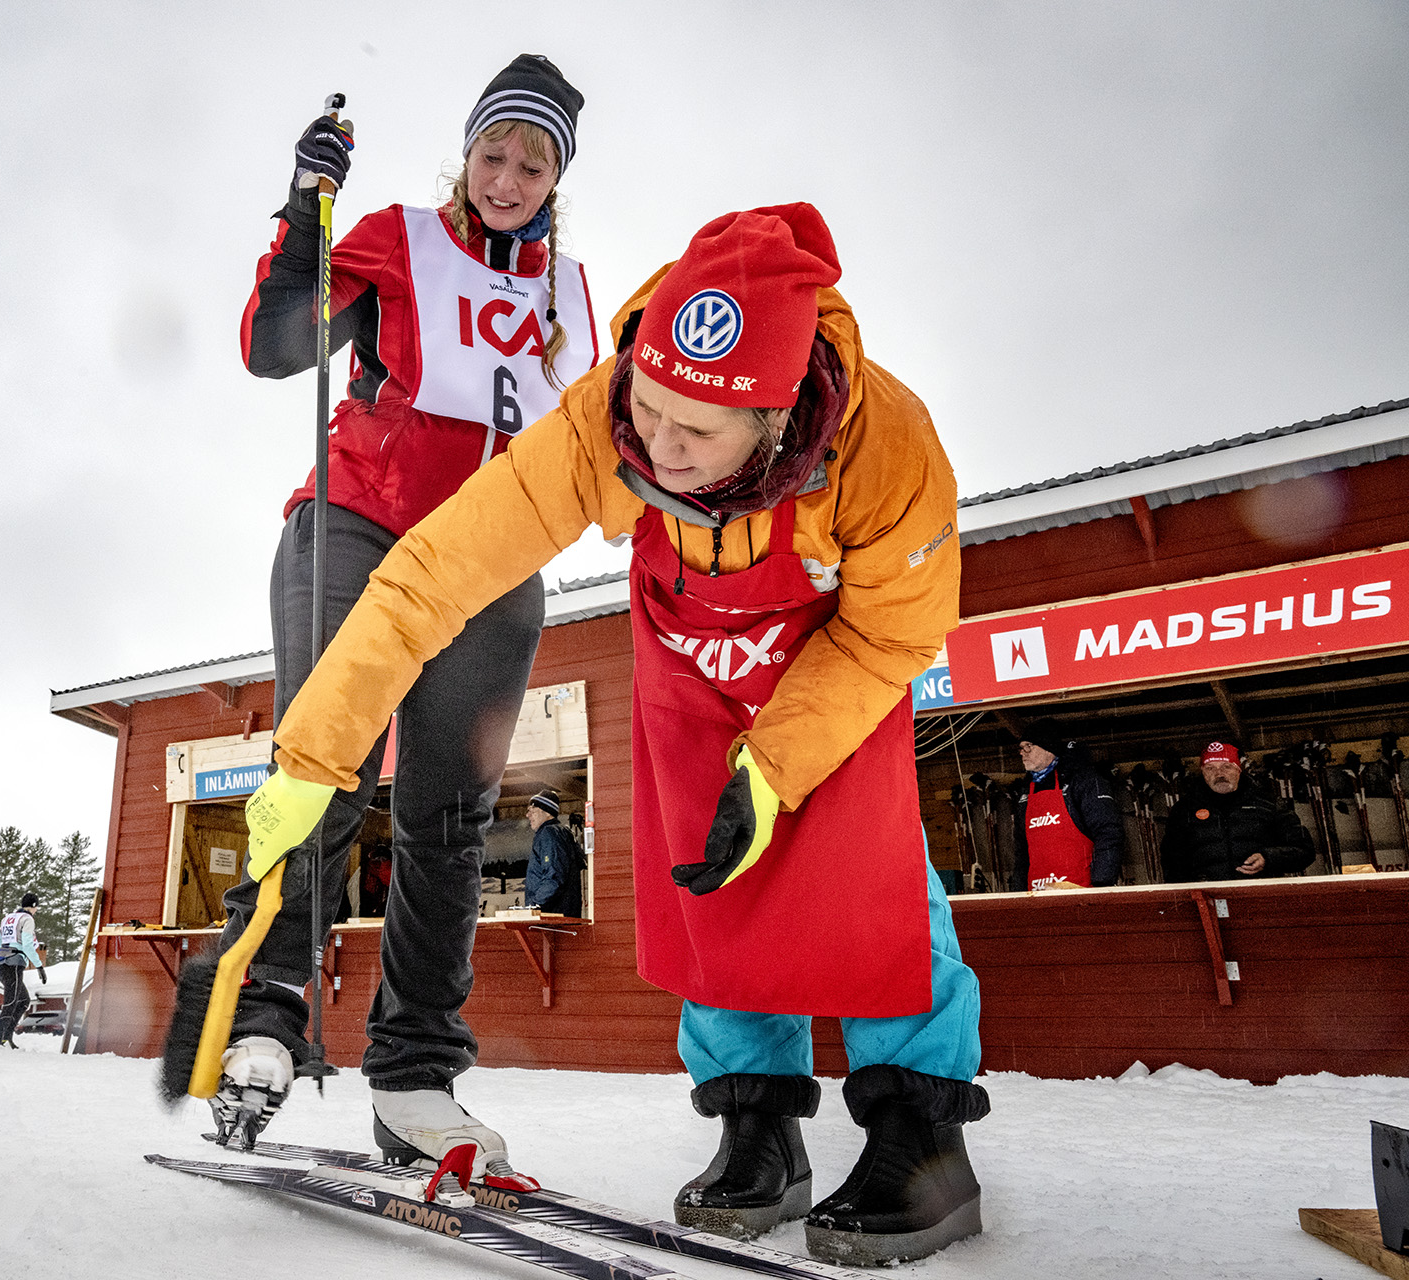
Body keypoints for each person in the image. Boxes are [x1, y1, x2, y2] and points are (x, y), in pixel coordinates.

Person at [239, 203, 990, 1265]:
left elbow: (893, 634)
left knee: (865, 866)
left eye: (696, 431)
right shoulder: (607, 418)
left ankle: (920, 1132)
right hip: (691, 659)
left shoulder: (889, 444)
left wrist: (775, 768)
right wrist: (311, 763)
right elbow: (429, 576)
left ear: (776, 422)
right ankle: (759, 1126)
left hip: (830, 664)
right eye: (650, 406)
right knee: (706, 884)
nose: (658, 443)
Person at [212, 54, 595, 1180]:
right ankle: (270, 1004)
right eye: (494, 153)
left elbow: (590, 440)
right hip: (362, 527)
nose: (509, 178)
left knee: (451, 816)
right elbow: (273, 345)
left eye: (534, 162)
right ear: (466, 153)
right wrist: (302, 210)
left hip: (489, 559)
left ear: (556, 176)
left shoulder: (569, 294)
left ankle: (417, 1070)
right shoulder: (398, 237)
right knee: (322, 753)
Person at [1161, 741, 1314, 882]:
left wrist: (1268, 858)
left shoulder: (1269, 804)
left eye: (1226, 767)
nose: (1219, 774)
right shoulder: (1184, 810)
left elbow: (1304, 850)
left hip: (1259, 896)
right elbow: (1171, 862)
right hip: (1207, 898)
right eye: (1210, 768)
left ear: (1238, 769)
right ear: (1203, 772)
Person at [1010, 720, 1124, 889]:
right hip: (1036, 896)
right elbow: (1022, 850)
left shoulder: (1082, 782)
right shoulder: (1026, 792)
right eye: (1020, 748)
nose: (1022, 753)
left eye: (1028, 746)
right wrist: (1017, 892)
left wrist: (1101, 885)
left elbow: (1108, 832)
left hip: (1080, 894)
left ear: (1048, 748)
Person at [0, 893, 49, 1048]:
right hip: (14, 964)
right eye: (36, 908)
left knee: (23, 1000)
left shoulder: (7, 919)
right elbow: (27, 945)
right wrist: (39, 966)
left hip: (1, 964)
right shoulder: (27, 920)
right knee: (11, 1002)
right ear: (34, 906)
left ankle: (7, 1037)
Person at [524, 792, 585, 917]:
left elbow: (554, 877)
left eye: (533, 810)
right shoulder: (562, 833)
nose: (528, 815)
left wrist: (534, 907)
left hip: (552, 919)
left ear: (547, 812)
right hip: (564, 916)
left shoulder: (549, 834)